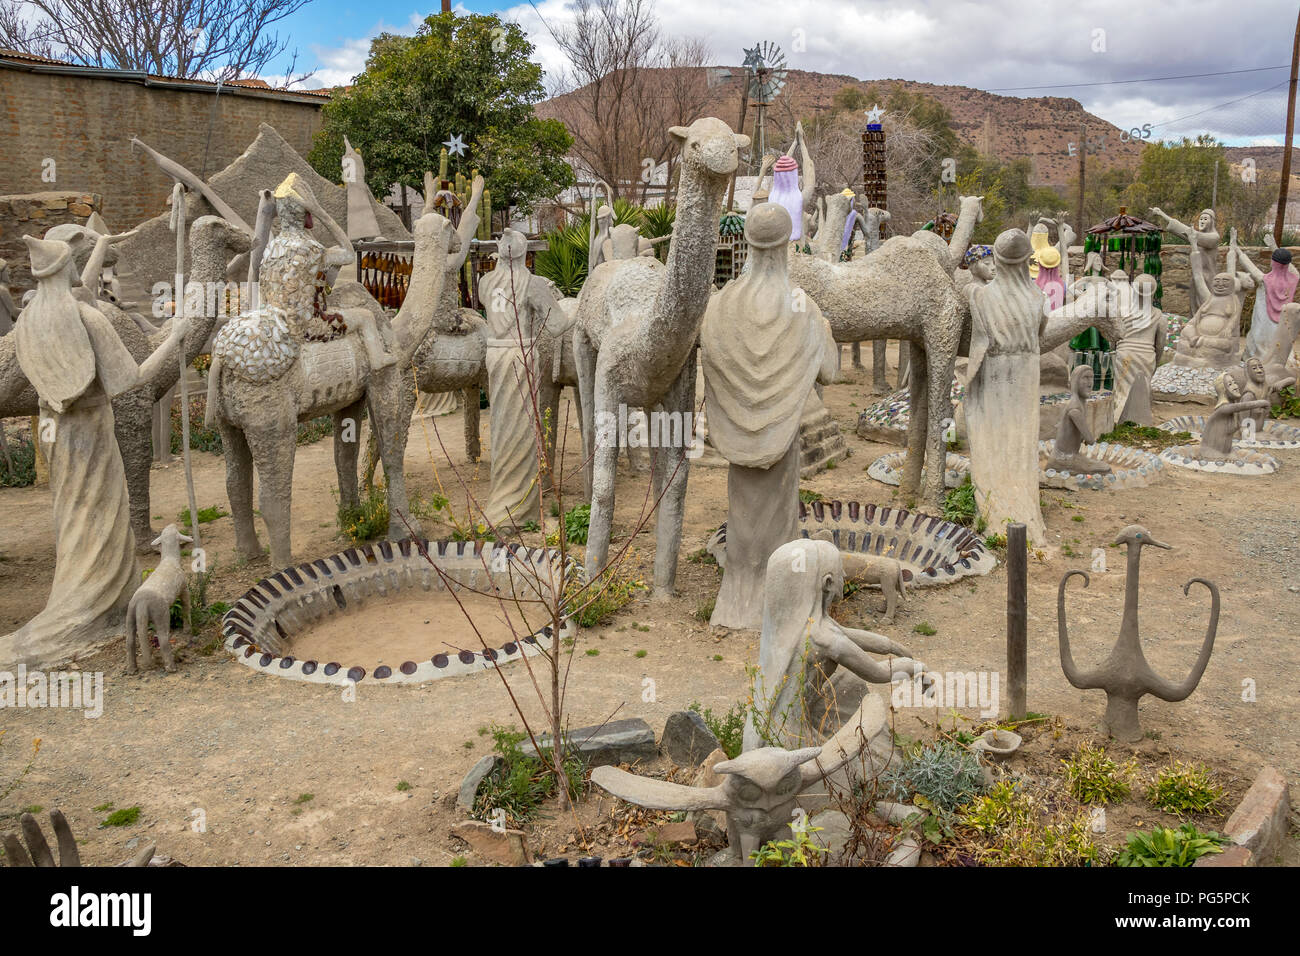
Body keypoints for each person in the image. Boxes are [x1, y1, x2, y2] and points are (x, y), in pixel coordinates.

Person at [0, 235, 189, 668]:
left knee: (73, 514)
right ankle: (98, 600)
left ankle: (80, 591)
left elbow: (77, 289)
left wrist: (100, 242)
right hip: (94, 429)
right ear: (66, 268)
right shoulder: (88, 318)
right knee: (102, 512)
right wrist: (175, 336)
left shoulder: (30, 320)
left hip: (60, 434)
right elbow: (133, 378)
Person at [701, 203, 837, 629]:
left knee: (741, 516)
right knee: (779, 520)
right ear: (786, 245)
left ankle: (735, 600)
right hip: (782, 444)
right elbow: (829, 372)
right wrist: (825, 333)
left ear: (746, 242)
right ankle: (777, 602)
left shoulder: (721, 304)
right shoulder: (800, 305)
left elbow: (711, 354)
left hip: (738, 444)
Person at [964, 229, 1048, 545]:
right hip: (1026, 372)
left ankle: (992, 509)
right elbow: (1041, 331)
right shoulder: (1038, 297)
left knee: (991, 437)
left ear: (997, 259)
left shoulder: (979, 295)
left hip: (993, 371)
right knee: (1021, 441)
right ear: (1027, 260)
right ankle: (1022, 507)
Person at [1151, 207, 1220, 315]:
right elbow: (1186, 232)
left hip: (1207, 278)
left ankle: (1204, 328)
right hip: (1196, 276)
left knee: (1205, 306)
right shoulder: (1197, 235)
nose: (1202, 221)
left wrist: (1163, 214)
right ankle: (1193, 325)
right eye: (1201, 219)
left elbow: (1192, 235)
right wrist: (1162, 214)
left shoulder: (1214, 237)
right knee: (1194, 306)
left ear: (1212, 221)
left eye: (1205, 219)